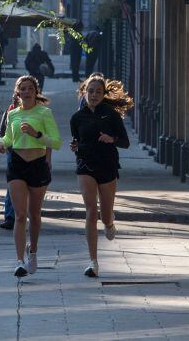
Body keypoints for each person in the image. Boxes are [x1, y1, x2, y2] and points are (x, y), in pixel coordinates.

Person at [0, 75, 62, 277]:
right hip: (17, 164)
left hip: (37, 164)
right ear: (18, 92)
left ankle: (32, 252)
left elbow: (56, 142)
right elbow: (8, 137)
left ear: (35, 91)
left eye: (29, 88)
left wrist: (37, 135)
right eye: (22, 89)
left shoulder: (44, 113)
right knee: (20, 215)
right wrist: (0, 143)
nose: (26, 92)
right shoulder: (13, 114)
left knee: (34, 214)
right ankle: (19, 261)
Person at [70, 75, 134, 277]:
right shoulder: (77, 118)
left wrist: (111, 138)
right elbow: (77, 142)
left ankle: (109, 222)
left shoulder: (111, 115)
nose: (94, 95)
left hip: (107, 166)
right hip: (86, 166)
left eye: (98, 92)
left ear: (104, 94)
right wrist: (76, 147)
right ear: (84, 93)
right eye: (90, 91)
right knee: (90, 211)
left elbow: (125, 142)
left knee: (105, 214)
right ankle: (93, 262)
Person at [0, 99, 18, 230]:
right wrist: (1, 143)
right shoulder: (10, 111)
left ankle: (30, 215)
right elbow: (2, 131)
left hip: (33, 155)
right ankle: (10, 216)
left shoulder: (39, 111)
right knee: (12, 186)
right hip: (13, 152)